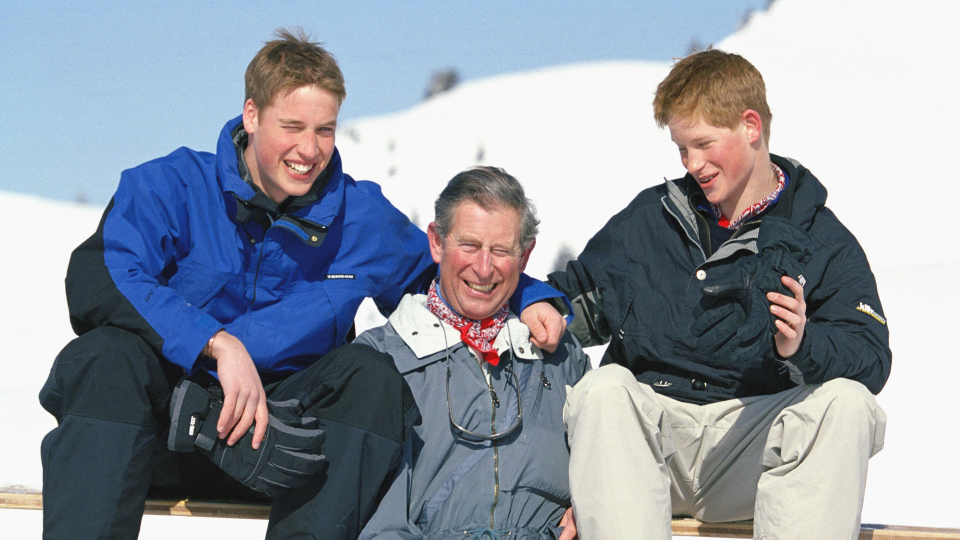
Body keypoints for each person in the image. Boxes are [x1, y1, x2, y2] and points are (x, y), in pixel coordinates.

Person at [37, 29, 568, 540]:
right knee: (105, 357)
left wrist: (528, 294)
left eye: (325, 130)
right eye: (292, 126)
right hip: (155, 430)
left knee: (371, 378)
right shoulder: (171, 186)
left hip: (279, 446)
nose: (309, 149)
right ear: (252, 115)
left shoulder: (359, 215)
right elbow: (101, 276)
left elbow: (450, 270)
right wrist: (217, 344)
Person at [548, 49, 890, 540]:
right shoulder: (653, 218)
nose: (693, 163)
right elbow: (574, 300)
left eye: (703, 144)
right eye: (682, 149)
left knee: (849, 404)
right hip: (651, 450)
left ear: (750, 126)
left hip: (753, 449)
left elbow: (871, 356)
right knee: (602, 391)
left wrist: (803, 345)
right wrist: (535, 304)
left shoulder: (822, 238)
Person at [356, 166, 590, 540]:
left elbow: (604, 456)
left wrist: (593, 503)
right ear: (436, 242)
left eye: (501, 250)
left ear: (525, 257)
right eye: (469, 245)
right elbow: (375, 520)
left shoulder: (561, 356)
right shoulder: (381, 358)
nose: (483, 268)